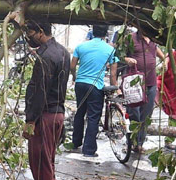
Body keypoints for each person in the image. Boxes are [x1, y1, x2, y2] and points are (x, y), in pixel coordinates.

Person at [16, 19, 70, 180]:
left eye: (29, 33)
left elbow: (39, 91)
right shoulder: (63, 51)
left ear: (40, 32)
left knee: (39, 160)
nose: (28, 38)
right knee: (48, 159)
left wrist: (30, 120)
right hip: (57, 113)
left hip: (44, 115)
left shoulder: (44, 57)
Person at [69, 24, 118, 158]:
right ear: (106, 35)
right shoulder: (110, 50)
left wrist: (75, 76)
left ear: (92, 32)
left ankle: (76, 142)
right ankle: (89, 150)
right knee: (93, 117)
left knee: (80, 111)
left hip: (80, 84)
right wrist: (116, 89)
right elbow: (113, 75)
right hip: (95, 86)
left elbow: (72, 66)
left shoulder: (81, 46)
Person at [122, 25, 163, 157]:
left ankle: (139, 143)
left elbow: (155, 50)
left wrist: (164, 59)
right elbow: (119, 54)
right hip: (135, 82)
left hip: (150, 82)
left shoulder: (153, 39)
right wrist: (127, 59)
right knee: (134, 112)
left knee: (147, 113)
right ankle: (132, 140)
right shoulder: (131, 38)